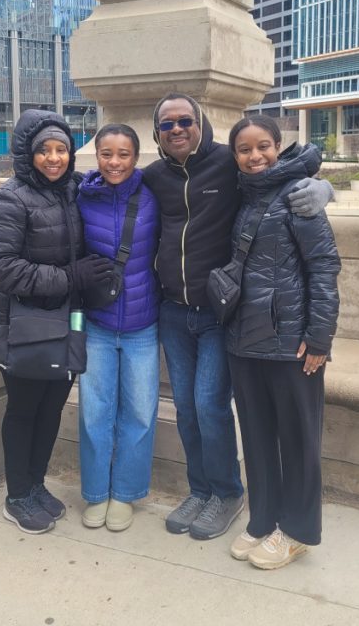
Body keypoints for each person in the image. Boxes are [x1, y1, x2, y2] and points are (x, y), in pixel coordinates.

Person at [142, 93, 335, 541]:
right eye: (167, 124)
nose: (177, 129)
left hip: (219, 313)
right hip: (173, 310)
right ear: (157, 133)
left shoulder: (229, 162)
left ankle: (227, 494)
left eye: (185, 120)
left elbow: (281, 167)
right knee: (187, 409)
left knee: (210, 405)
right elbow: (108, 188)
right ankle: (201, 489)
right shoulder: (152, 177)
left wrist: (324, 188)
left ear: (201, 123)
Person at [0, 109, 113, 534]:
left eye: (62, 150)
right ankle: (17, 494)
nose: (54, 158)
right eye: (44, 151)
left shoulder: (75, 189)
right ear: (28, 154)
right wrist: (70, 277)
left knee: (53, 406)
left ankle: (36, 484)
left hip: (64, 319)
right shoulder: (10, 198)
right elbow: (2, 267)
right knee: (23, 408)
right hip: (22, 318)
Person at [224, 114, 340, 570]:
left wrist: (319, 339)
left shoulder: (300, 198)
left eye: (264, 146)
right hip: (244, 340)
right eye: (245, 149)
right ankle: (264, 518)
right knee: (254, 437)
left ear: (279, 146)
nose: (255, 156)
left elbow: (324, 269)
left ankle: (297, 530)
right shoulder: (244, 196)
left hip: (292, 344)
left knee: (297, 440)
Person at [76, 124, 161, 532]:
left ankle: (125, 493)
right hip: (97, 323)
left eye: (123, 154)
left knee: (141, 413)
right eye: (106, 154)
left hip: (143, 323)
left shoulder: (153, 195)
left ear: (136, 156)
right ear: (96, 156)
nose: (114, 162)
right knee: (95, 413)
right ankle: (95, 493)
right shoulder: (80, 197)